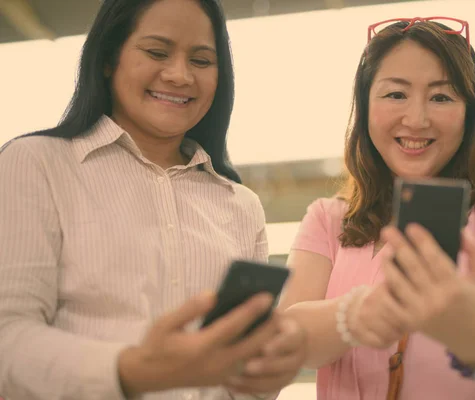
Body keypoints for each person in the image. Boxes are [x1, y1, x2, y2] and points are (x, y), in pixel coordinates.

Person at [0, 0, 307, 399]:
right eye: (157, 52)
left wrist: (265, 373)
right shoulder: (36, 164)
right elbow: (8, 342)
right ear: (109, 58)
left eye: (201, 60)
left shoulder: (239, 205)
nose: (180, 75)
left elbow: (240, 372)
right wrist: (137, 370)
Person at [277, 17, 475, 399]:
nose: (417, 119)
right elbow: (283, 339)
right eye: (395, 95)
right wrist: (354, 315)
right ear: (364, 106)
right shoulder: (328, 219)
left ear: (470, 112)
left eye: (441, 97)